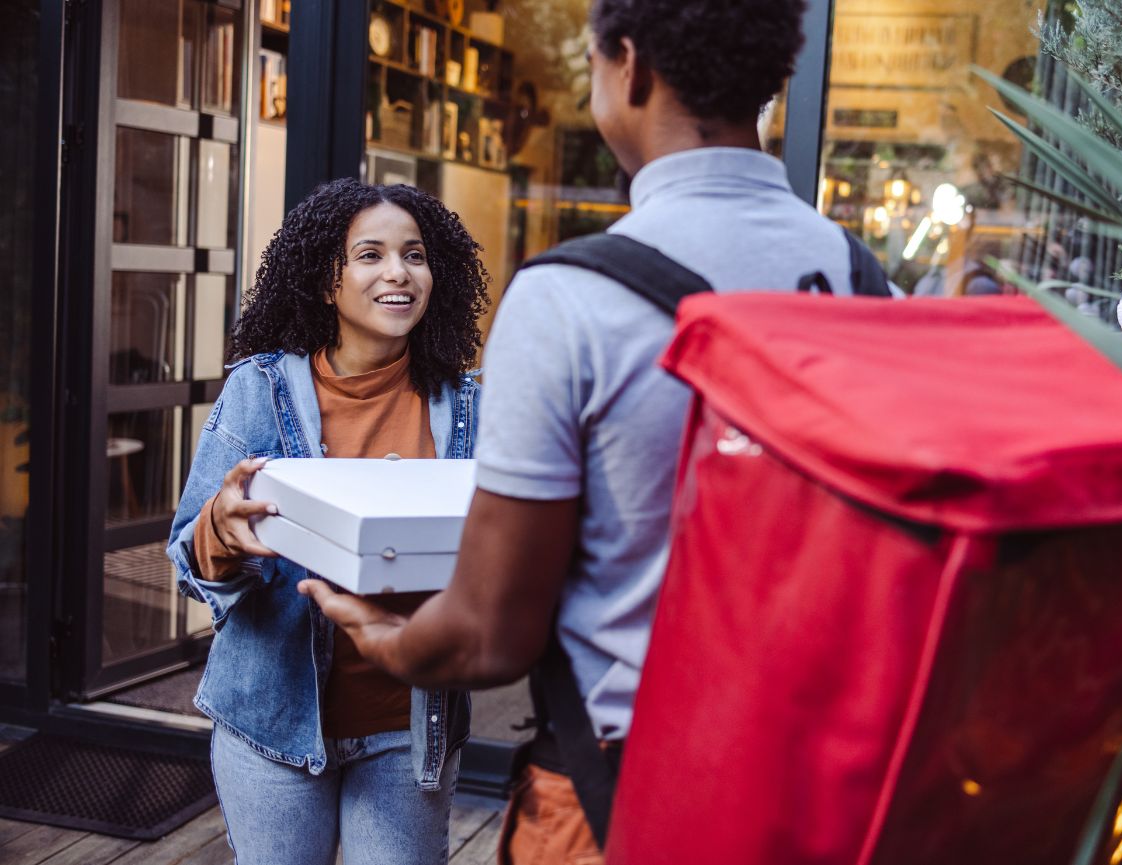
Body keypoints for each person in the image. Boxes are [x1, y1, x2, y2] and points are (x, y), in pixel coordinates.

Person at [300, 0, 878, 861]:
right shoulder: (865, 281)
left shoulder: (569, 300)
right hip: (817, 781)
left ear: (631, 67)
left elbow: (489, 633)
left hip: (624, 792)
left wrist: (379, 636)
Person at [167, 178, 490, 865]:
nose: (398, 272)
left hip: (407, 727)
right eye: (370, 255)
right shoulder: (260, 390)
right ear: (325, 280)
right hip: (271, 723)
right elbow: (188, 561)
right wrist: (221, 534)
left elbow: (496, 557)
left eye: (415, 254)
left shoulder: (468, 407)